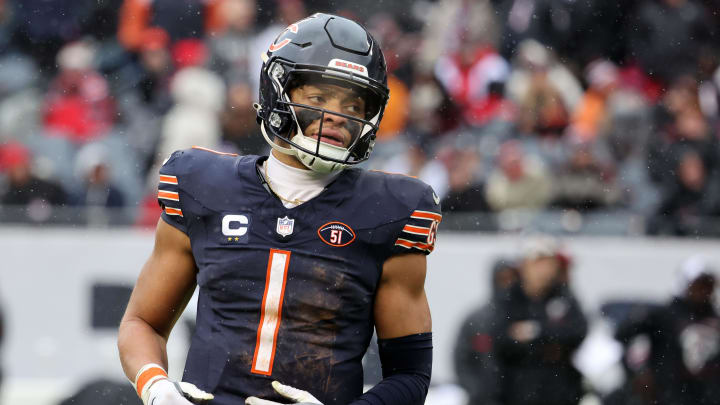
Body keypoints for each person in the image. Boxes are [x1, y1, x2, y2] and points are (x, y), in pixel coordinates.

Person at [118, 13, 441, 405]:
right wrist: (157, 387)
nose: (336, 117)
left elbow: (410, 375)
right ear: (278, 93)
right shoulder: (203, 185)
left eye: (353, 104)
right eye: (318, 98)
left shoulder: (390, 210)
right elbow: (143, 323)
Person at [490, 235, 588, 405]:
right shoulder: (509, 297)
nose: (543, 269)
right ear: (524, 265)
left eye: (548, 262)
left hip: (561, 392)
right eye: (538, 262)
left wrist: (535, 332)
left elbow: (578, 331)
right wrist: (548, 344)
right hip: (516, 391)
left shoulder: (563, 296)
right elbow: (499, 339)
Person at [614, 256, 720, 404]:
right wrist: (638, 373)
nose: (704, 291)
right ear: (686, 285)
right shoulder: (665, 315)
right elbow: (623, 335)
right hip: (668, 396)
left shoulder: (715, 319)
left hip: (706, 397)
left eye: (708, 286)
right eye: (699, 285)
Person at [453, 258, 518, 405]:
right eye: (503, 279)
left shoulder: (525, 317)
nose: (508, 284)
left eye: (512, 279)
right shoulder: (476, 320)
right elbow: (461, 359)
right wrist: (475, 390)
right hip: (482, 400)